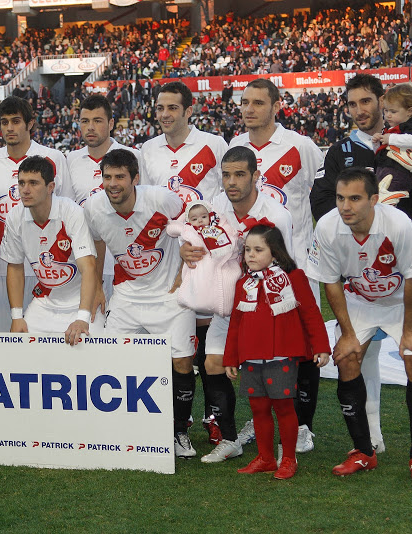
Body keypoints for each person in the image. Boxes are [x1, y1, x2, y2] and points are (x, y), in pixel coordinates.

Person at [310, 73, 412, 467]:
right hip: (357, 271)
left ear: (382, 102)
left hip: (401, 261)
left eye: (366, 102)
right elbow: (322, 202)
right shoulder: (341, 152)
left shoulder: (406, 145)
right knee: (359, 355)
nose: (359, 111)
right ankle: (371, 439)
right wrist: (356, 220)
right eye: (351, 104)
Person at [307, 167, 412, 484]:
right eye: (340, 198)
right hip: (359, 299)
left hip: (404, 298)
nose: (345, 206)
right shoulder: (327, 227)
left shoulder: (398, 225)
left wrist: (408, 332)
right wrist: (348, 335)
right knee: (347, 359)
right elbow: (332, 283)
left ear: (374, 200)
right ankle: (363, 452)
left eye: (354, 198)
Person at [229, 78, 325, 454]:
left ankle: (303, 425)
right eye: (244, 103)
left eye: (257, 102)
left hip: (296, 267)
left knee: (300, 346)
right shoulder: (234, 148)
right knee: (257, 346)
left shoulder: (301, 146)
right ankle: (259, 420)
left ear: (276, 104)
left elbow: (321, 200)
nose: (249, 109)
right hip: (250, 271)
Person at [180, 146, 293, 463]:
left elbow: (285, 267)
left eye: (239, 174)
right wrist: (187, 252)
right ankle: (230, 439)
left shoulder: (277, 215)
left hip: (263, 311)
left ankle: (284, 442)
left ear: (256, 176)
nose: (231, 181)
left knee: (269, 377)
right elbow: (193, 240)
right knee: (212, 364)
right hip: (226, 309)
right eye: (226, 174)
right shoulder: (214, 208)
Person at [84, 149, 198, 458]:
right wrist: (96, 286)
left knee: (182, 362)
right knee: (110, 359)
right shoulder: (94, 207)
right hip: (127, 296)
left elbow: (191, 222)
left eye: (120, 177)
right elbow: (95, 243)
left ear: (136, 178)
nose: (113, 184)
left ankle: (179, 431)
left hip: (170, 296)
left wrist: (185, 265)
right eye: (107, 177)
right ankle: (122, 428)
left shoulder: (161, 199)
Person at [140, 80, 228, 444]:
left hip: (205, 257)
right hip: (164, 258)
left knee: (207, 339)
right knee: (177, 342)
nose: (164, 114)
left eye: (172, 108)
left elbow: (223, 199)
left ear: (189, 111)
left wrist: (209, 241)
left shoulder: (213, 145)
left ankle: (215, 416)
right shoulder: (147, 150)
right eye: (159, 108)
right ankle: (179, 416)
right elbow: (146, 203)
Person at [224, 224, 330, 479]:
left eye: (258, 249)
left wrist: (322, 347)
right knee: (258, 409)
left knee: (284, 409)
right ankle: (265, 458)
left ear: (275, 252)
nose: (250, 255)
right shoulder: (243, 283)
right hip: (251, 356)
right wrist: (230, 357)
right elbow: (236, 323)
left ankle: (288, 459)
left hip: (281, 355)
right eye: (248, 249)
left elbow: (311, 314)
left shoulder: (293, 278)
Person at [0, 96, 70, 333]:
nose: (9, 128)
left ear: (30, 123)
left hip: (47, 262)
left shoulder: (53, 158)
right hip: (4, 264)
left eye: (16, 121)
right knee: (5, 337)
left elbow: (68, 210)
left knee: (48, 341)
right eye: (4, 122)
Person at [0, 156, 101, 344]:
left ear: (50, 187)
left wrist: (82, 318)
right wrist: (16, 316)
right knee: (23, 354)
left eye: (33, 183)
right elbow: (14, 266)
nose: (25, 190)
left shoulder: (71, 212)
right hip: (44, 303)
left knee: (94, 356)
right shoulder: (14, 216)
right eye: (21, 183)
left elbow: (88, 268)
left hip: (80, 302)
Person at [65, 95, 141, 314]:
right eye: (85, 121)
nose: (90, 127)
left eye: (97, 121)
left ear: (110, 123)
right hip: (86, 263)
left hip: (125, 262)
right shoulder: (71, 160)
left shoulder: (133, 156)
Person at [166, 200, 240, 317]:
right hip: (199, 266)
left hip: (218, 264)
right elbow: (171, 228)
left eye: (204, 217)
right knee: (199, 288)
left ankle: (222, 303)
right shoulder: (189, 230)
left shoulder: (220, 228)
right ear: (188, 221)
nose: (200, 221)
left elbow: (233, 239)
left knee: (223, 286)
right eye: (194, 219)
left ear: (210, 216)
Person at [371, 83, 412, 206]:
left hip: (399, 172)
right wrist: (376, 143)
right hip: (383, 170)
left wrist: (390, 138)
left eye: (393, 111)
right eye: (386, 110)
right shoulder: (388, 128)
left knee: (385, 202)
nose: (388, 115)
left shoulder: (410, 126)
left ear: (409, 111)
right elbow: (382, 151)